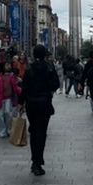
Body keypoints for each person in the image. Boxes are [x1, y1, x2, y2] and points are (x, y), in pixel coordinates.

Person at [19, 44, 59, 175]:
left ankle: (34, 160)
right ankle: (38, 161)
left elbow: (24, 87)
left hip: (31, 103)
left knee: (34, 131)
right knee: (42, 132)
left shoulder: (29, 69)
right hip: (44, 103)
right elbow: (56, 84)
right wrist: (49, 91)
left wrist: (20, 103)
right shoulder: (49, 67)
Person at [0, 61, 21, 138]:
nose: (8, 66)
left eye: (9, 65)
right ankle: (2, 131)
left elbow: (15, 86)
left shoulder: (11, 76)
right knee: (0, 115)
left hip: (8, 98)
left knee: (8, 113)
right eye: (6, 65)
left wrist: (21, 91)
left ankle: (7, 129)